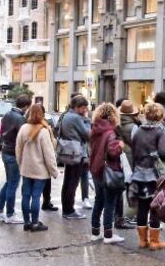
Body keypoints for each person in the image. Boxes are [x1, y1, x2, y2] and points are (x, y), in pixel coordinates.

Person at [130, 102, 165, 249]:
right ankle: (154, 241)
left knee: (142, 206)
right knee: (155, 207)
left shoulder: (138, 130)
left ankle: (142, 240)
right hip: (154, 175)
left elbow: (134, 152)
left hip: (139, 173)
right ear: (160, 116)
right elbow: (162, 153)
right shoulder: (160, 131)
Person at [16, 104, 60, 232]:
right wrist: (54, 171)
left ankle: (27, 222)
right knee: (36, 196)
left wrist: (20, 163)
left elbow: (18, 148)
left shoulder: (24, 128)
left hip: (26, 168)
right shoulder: (44, 131)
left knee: (26, 195)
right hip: (40, 170)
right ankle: (35, 223)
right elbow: (49, 154)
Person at [88, 102, 126, 244]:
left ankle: (95, 232)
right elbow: (112, 152)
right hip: (108, 170)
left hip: (95, 169)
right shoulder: (110, 132)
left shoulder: (94, 130)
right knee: (110, 202)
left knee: (99, 200)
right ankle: (108, 235)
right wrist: (120, 146)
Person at [0, 94, 31, 225]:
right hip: (14, 153)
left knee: (9, 182)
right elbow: (24, 137)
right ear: (26, 106)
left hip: (5, 150)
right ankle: (10, 214)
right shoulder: (20, 118)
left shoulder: (8, 114)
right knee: (13, 184)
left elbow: (2, 132)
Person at [58, 95, 91, 219]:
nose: (85, 110)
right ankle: (69, 210)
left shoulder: (66, 115)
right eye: (83, 108)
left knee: (67, 181)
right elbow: (87, 134)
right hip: (77, 152)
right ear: (78, 107)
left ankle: (66, 209)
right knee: (73, 182)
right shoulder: (76, 118)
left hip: (68, 151)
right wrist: (87, 121)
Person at [115, 100, 141, 230]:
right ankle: (129, 215)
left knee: (121, 187)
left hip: (120, 156)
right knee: (131, 186)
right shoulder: (133, 126)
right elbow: (137, 144)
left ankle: (119, 215)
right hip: (130, 158)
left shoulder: (117, 123)